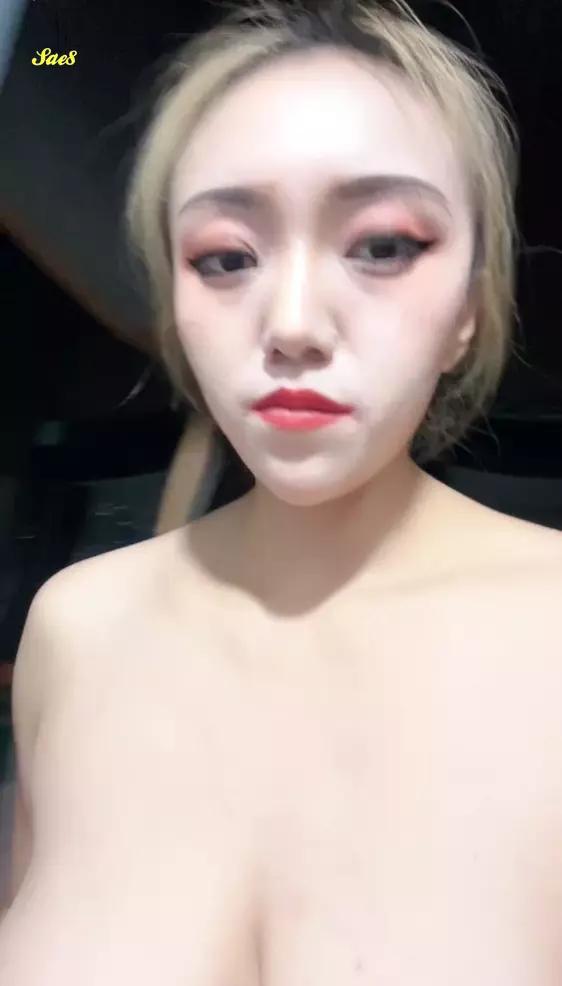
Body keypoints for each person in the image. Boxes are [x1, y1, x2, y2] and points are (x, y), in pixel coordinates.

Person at [3, 0, 562, 982]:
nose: (293, 322)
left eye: (382, 245)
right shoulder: (75, 629)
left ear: (470, 308)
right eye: (225, 257)